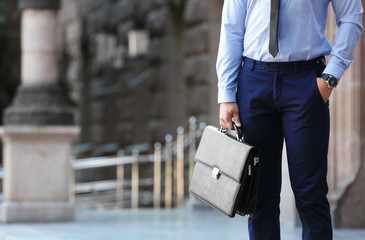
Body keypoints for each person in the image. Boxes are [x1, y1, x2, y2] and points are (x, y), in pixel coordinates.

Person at [216, 0, 363, 239]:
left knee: (311, 193)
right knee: (259, 195)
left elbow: (352, 15)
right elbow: (232, 28)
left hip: (306, 82)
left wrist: (331, 77)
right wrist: (226, 94)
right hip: (253, 81)